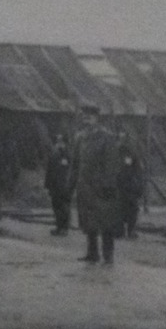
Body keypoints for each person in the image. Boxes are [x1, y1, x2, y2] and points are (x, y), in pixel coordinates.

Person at [71, 104, 125, 264]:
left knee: (106, 222)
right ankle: (92, 253)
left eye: (90, 115)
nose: (86, 118)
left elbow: (111, 164)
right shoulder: (80, 137)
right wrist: (71, 184)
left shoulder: (106, 137)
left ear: (97, 118)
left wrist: (108, 185)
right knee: (88, 222)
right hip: (85, 187)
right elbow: (76, 163)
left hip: (101, 187)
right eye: (84, 115)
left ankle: (108, 256)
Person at [117, 137, 147, 239]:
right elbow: (127, 170)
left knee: (126, 209)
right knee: (129, 209)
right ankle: (127, 231)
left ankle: (124, 231)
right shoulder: (128, 155)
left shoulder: (129, 156)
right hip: (129, 186)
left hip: (129, 186)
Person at [44, 135, 74, 235]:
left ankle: (64, 228)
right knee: (55, 206)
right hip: (54, 185)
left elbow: (69, 170)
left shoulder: (67, 154)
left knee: (64, 207)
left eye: (61, 141)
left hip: (63, 185)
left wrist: (69, 185)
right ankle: (58, 226)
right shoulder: (54, 153)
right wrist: (47, 184)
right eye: (58, 141)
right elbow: (49, 169)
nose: (59, 143)